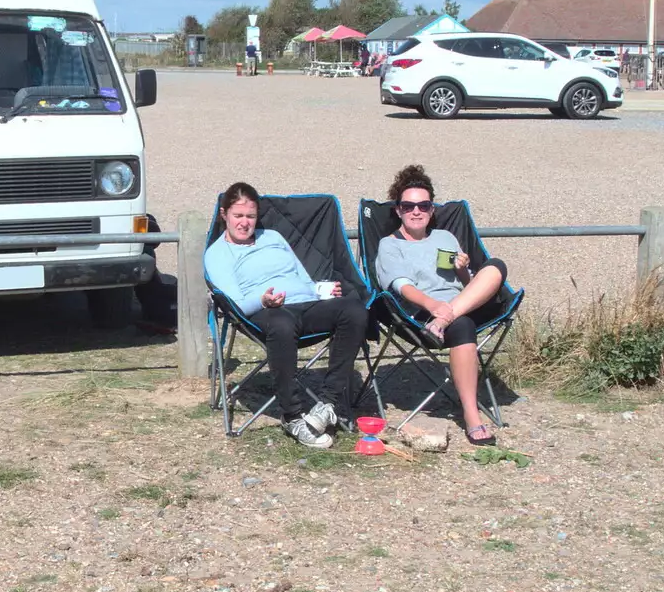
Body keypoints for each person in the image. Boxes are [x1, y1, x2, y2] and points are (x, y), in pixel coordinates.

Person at [203, 181, 368, 449]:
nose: (245, 223)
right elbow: (235, 304)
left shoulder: (273, 238)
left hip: (304, 303)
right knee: (281, 323)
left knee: (354, 310)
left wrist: (317, 289)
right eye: (238, 216)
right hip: (264, 312)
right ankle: (292, 415)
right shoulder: (217, 253)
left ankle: (327, 403)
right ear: (224, 215)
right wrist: (263, 300)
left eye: (251, 216)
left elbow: (300, 276)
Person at [374, 164, 508, 446]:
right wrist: (434, 306)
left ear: (432, 208)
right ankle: (473, 416)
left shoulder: (445, 237)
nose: (416, 211)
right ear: (397, 210)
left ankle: (446, 320)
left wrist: (462, 269)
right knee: (463, 325)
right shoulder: (390, 245)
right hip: (422, 313)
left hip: (458, 306)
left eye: (424, 205)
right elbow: (401, 287)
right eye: (408, 206)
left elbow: (467, 282)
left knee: (496, 266)